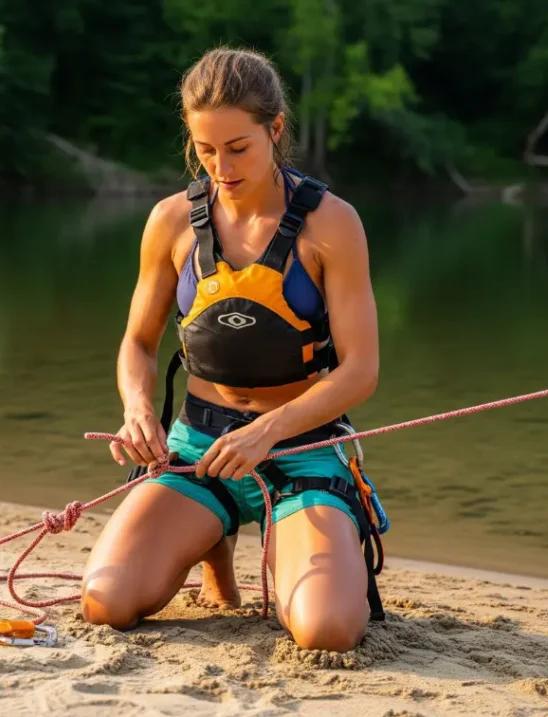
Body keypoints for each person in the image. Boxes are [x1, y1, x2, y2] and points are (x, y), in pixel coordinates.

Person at [80, 46, 381, 653]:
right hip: (199, 449)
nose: (221, 166)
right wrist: (138, 410)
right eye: (206, 149)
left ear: (275, 129)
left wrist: (267, 431)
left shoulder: (332, 224)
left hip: (301, 451)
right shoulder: (170, 221)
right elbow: (138, 342)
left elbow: (360, 371)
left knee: (326, 633)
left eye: (238, 148)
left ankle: (300, 532)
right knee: (105, 603)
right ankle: (213, 541)